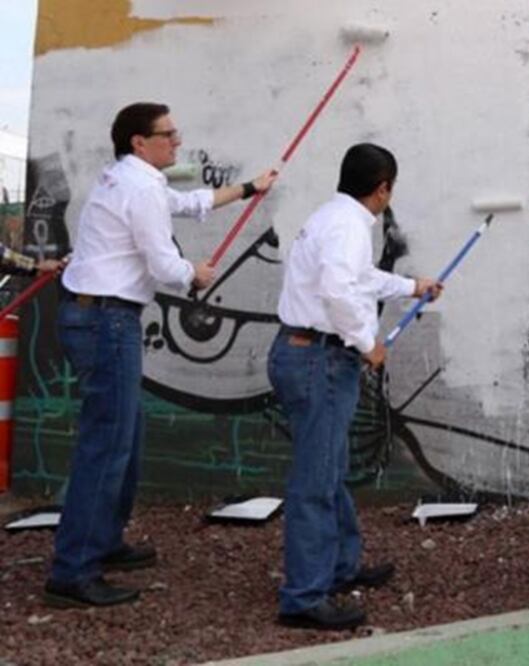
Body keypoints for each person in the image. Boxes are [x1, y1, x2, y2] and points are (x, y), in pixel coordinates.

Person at [43, 102, 277, 608]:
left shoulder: (128, 179)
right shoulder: (140, 187)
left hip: (98, 316)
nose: (177, 140)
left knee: (123, 436)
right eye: (167, 134)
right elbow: (163, 262)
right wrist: (194, 274)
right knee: (108, 445)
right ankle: (73, 572)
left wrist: (249, 188)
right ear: (139, 142)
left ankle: (103, 541)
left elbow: (188, 203)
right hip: (107, 321)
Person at [269, 143, 442, 630]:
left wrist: (411, 286)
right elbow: (338, 290)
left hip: (305, 354)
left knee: (330, 467)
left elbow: (358, 277)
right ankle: (304, 597)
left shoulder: (333, 217)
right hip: (320, 359)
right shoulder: (349, 226)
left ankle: (340, 566)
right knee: (316, 480)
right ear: (383, 188)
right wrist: (368, 344)